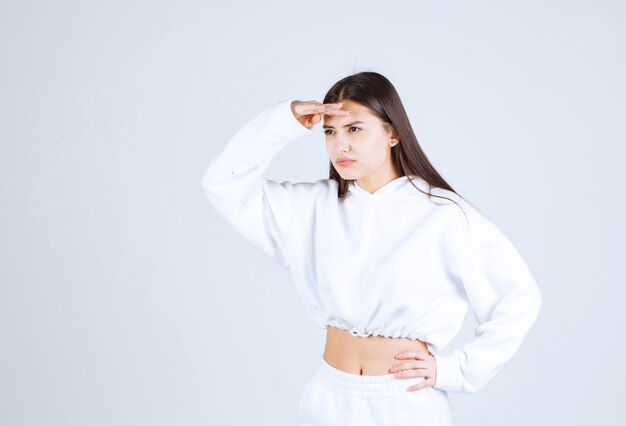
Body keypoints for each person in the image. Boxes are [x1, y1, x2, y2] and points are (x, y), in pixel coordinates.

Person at [200, 71, 543, 425]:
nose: (340, 145)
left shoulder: (444, 215)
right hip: (327, 400)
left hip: (405, 403)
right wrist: (282, 122)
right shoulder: (309, 208)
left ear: (392, 133)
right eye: (330, 132)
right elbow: (222, 183)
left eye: (354, 129)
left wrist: (455, 370)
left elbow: (517, 299)